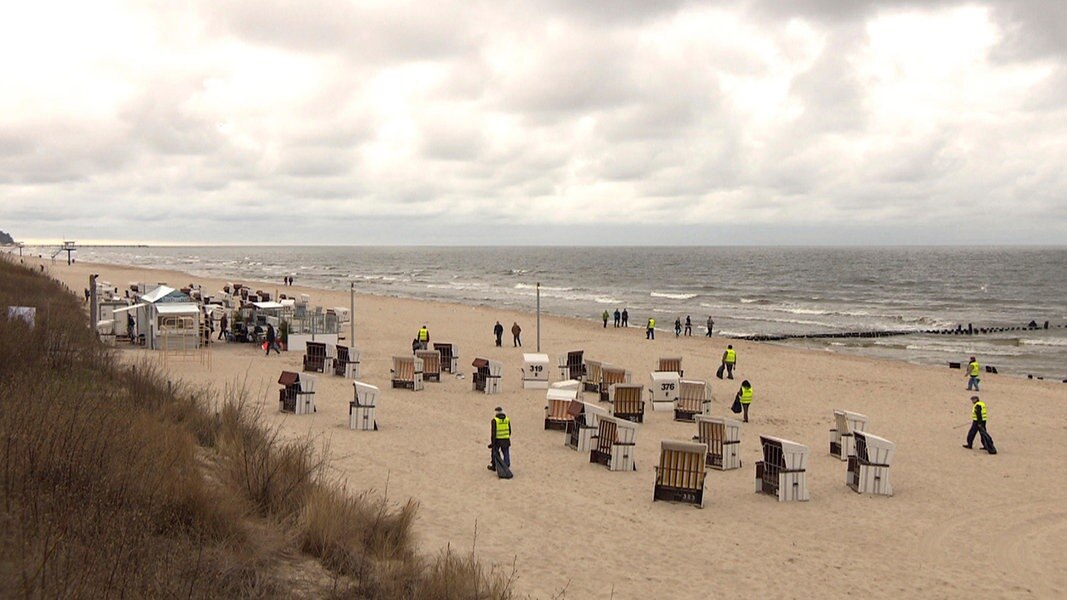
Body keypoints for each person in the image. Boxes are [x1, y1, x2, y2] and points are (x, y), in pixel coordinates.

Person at [487, 406, 512, 472]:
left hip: (497, 440)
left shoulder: (495, 420)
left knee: (494, 452)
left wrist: (493, 443)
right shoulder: (507, 419)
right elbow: (509, 430)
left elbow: (493, 433)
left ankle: (494, 466)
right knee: (506, 453)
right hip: (506, 439)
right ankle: (506, 466)